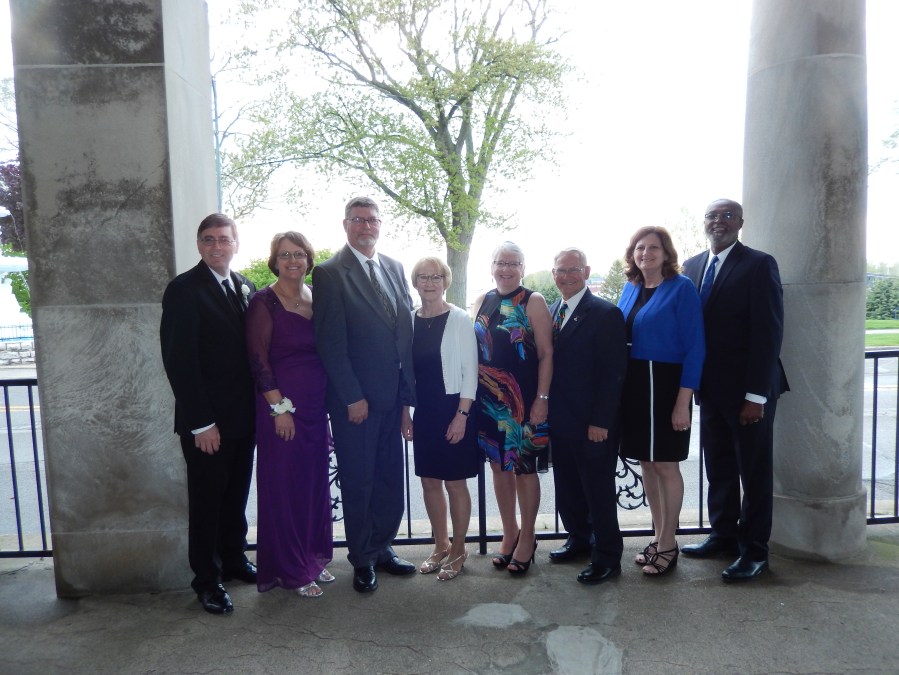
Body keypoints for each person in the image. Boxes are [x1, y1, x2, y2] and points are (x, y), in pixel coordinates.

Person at [312, 196, 416, 593]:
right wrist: (352, 397)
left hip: (392, 399)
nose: (365, 226)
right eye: (357, 220)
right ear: (345, 225)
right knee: (359, 480)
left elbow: (401, 334)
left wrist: (406, 398)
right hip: (357, 403)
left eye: (371, 219)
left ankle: (383, 547)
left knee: (389, 478)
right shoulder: (329, 273)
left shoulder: (394, 267)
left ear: (380, 224)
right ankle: (361, 558)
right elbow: (331, 343)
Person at [681, 199, 788, 581]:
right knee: (719, 467)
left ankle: (755, 552)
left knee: (754, 474)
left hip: (748, 394)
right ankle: (722, 536)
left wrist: (755, 396)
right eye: (712, 215)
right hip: (710, 391)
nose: (719, 221)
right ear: (704, 222)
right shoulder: (692, 266)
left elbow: (768, 332)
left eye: (728, 216)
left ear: (741, 222)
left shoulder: (759, 264)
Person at [160, 213, 257, 615]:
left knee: (235, 496)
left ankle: (233, 559)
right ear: (199, 244)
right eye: (209, 239)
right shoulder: (184, 290)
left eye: (224, 239)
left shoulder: (245, 286)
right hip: (207, 424)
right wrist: (202, 423)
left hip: (244, 418)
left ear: (236, 244)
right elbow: (179, 361)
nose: (217, 246)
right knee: (207, 503)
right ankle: (207, 579)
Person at [245, 232, 334, 598]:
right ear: (275, 261)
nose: (292, 260)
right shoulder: (263, 302)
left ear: (309, 259)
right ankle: (292, 569)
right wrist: (279, 408)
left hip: (315, 408)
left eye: (299, 254)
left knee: (312, 484)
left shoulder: (317, 296)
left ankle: (312, 556)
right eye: (285, 255)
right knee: (285, 486)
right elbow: (258, 360)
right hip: (281, 408)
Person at [617, 226, 705, 576]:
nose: (646, 253)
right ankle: (657, 535)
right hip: (636, 384)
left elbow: (696, 347)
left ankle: (669, 543)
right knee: (647, 464)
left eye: (654, 247)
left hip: (666, 385)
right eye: (640, 247)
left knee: (666, 465)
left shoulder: (682, 288)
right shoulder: (631, 286)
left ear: (666, 253)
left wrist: (683, 400)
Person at [547, 248, 628, 585]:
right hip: (560, 420)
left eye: (573, 270)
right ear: (553, 274)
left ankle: (607, 556)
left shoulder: (605, 313)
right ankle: (579, 539)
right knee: (568, 486)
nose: (566, 276)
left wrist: (601, 421)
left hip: (592, 423)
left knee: (598, 491)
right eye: (560, 270)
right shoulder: (553, 310)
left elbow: (614, 373)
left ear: (586, 271)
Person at [474, 241, 553, 576]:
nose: (506, 269)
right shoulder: (483, 299)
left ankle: (528, 537)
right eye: (500, 262)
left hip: (523, 402)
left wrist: (542, 399)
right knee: (498, 468)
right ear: (492, 266)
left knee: (523, 469)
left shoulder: (533, 301)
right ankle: (510, 532)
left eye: (513, 263)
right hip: (488, 401)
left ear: (523, 268)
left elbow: (546, 354)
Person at [402, 257, 479, 581]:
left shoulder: (459, 318)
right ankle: (440, 544)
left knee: (455, 482)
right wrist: (405, 412)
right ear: (415, 282)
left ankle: (459, 548)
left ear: (445, 281)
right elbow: (404, 371)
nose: (429, 283)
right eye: (423, 277)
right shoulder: (409, 320)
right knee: (429, 481)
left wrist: (462, 416)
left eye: (436, 277)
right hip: (424, 411)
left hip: (454, 408)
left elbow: (471, 370)